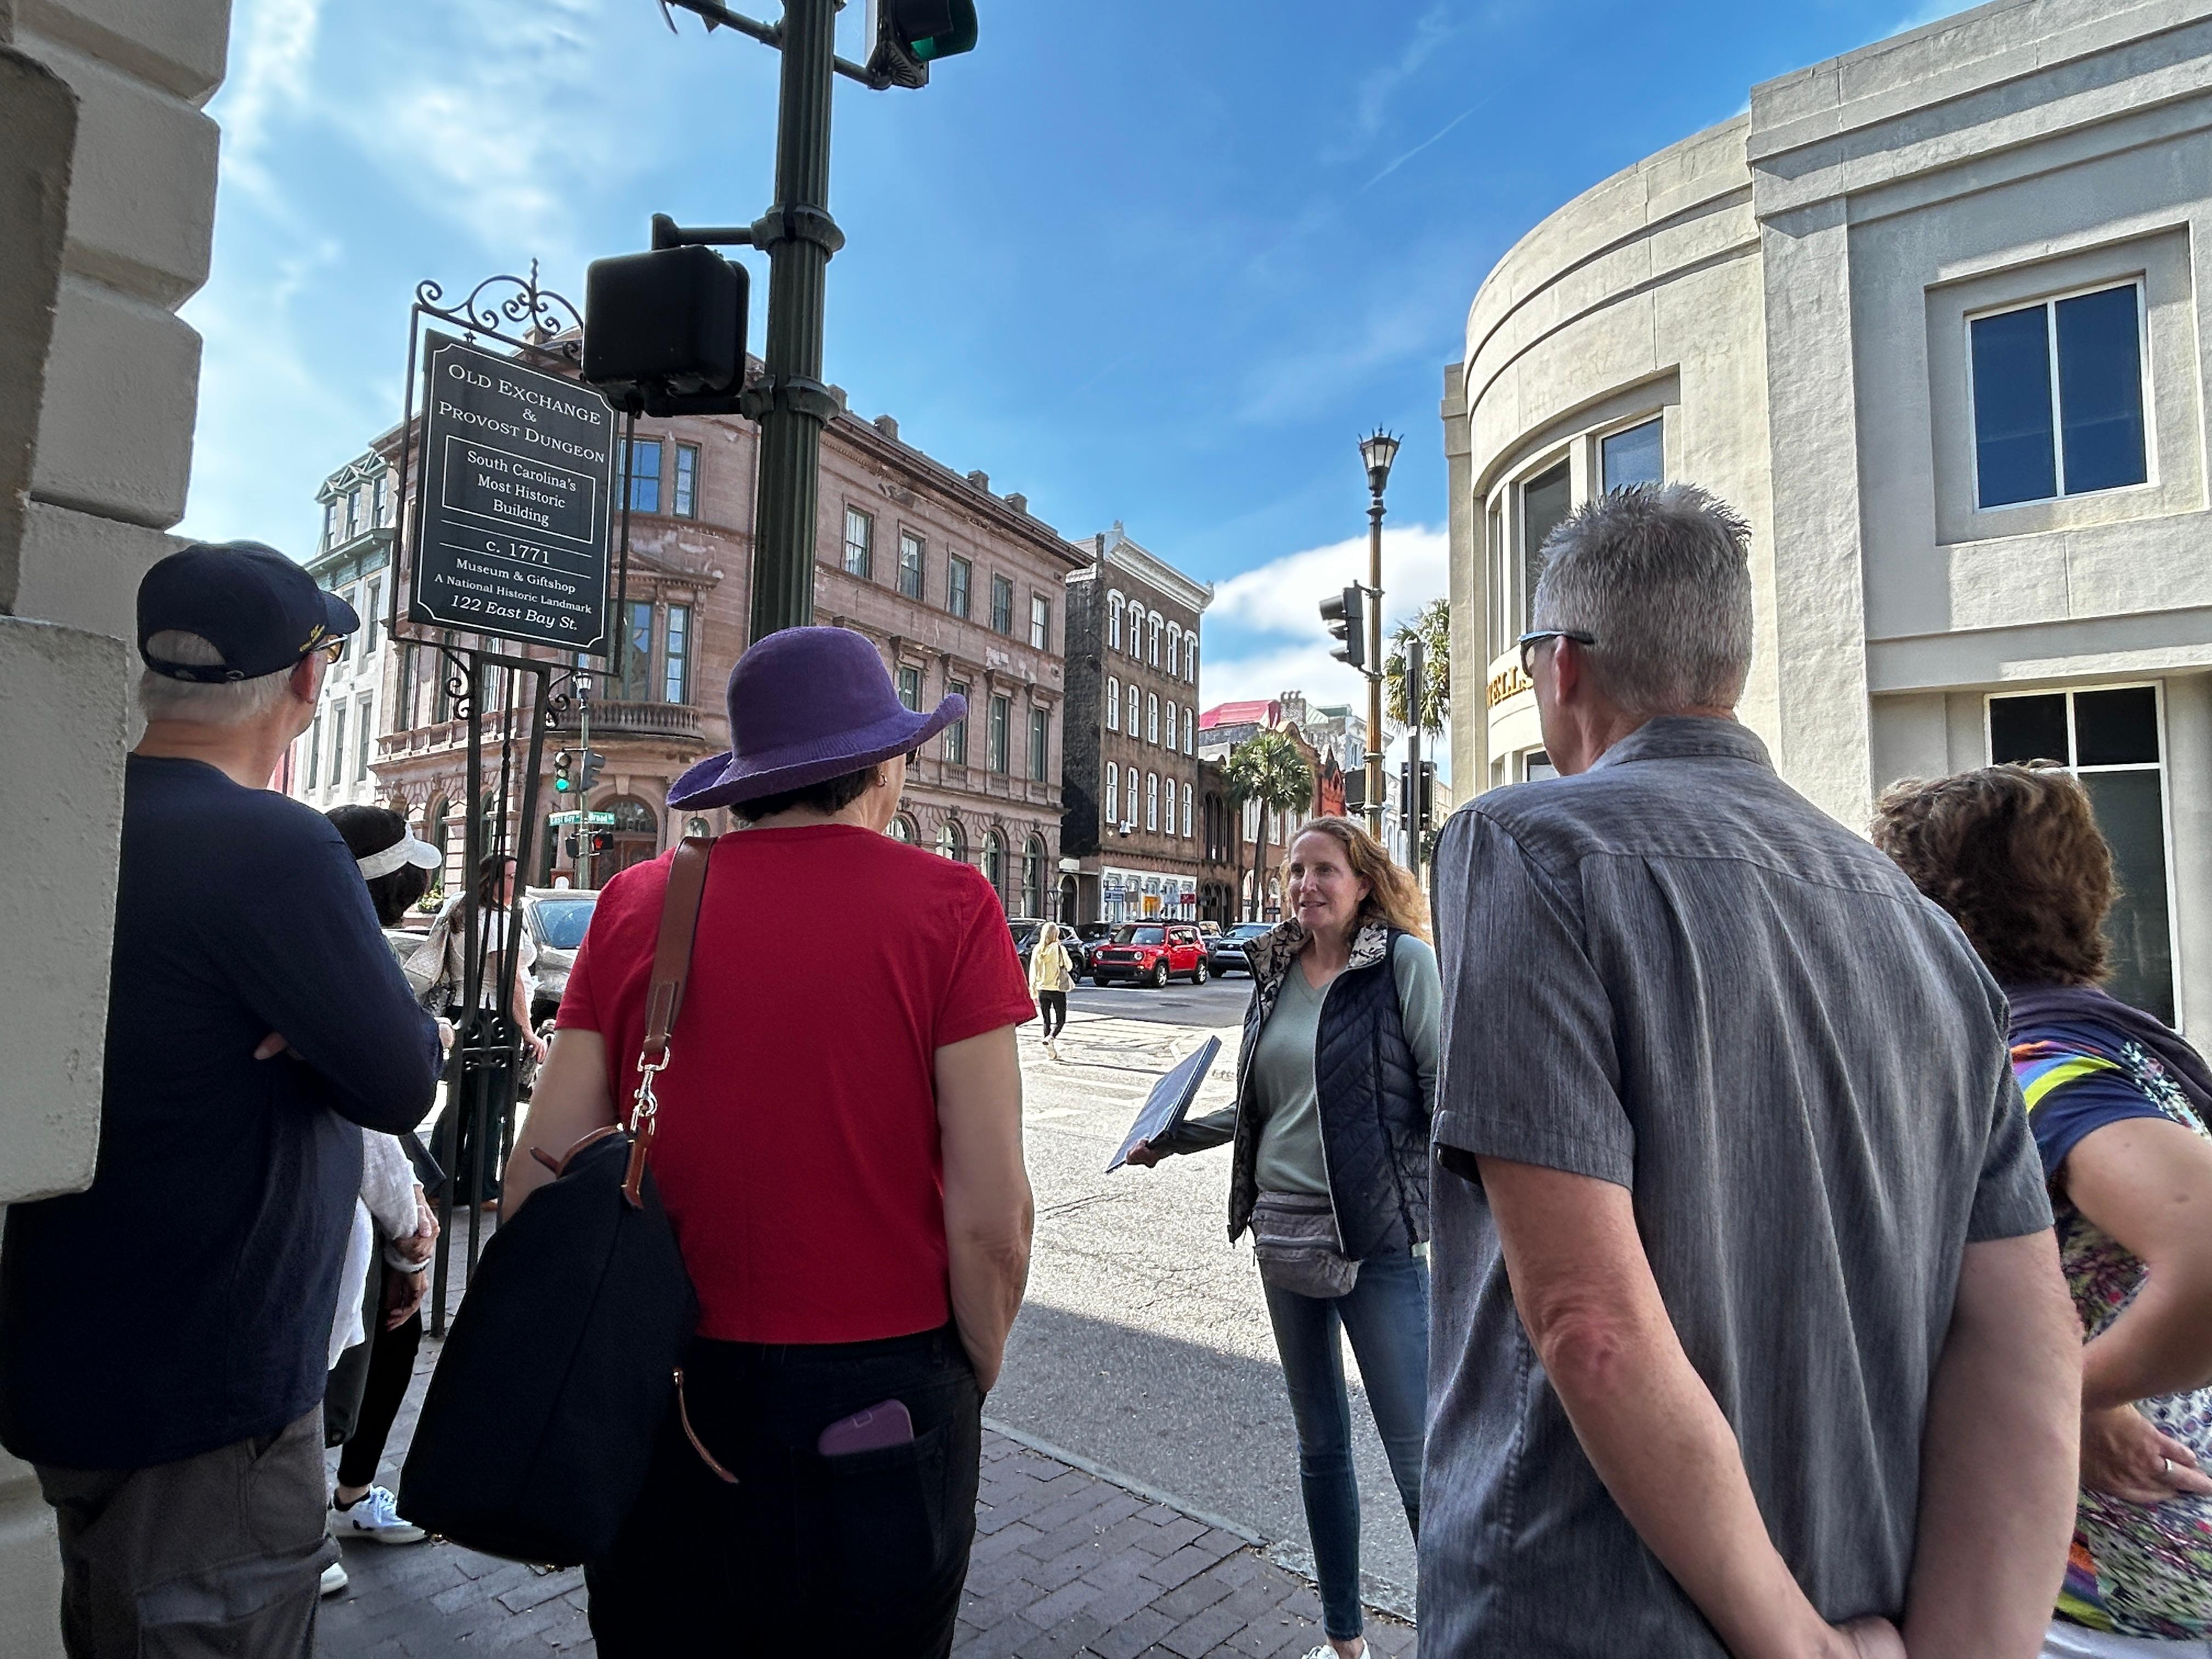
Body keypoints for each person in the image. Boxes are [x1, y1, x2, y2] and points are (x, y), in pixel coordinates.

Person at [1422, 484, 2081, 1659]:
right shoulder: (1926, 932)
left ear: (1562, 665)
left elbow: (1587, 1321)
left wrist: (1794, 1642)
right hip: (1865, 1588)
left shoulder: (1526, 845)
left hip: (1584, 1611)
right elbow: (2027, 1356)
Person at [503, 626, 1035, 1658]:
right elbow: (991, 1215)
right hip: (883, 1390)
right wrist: (972, 1362)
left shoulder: (639, 900)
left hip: (667, 1388)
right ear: (883, 766)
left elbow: (537, 1171)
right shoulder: (953, 906)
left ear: (749, 778)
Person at [0, 542, 442, 1658]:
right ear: (307, 683)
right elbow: (401, 1078)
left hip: (78, 1346)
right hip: (208, 1391)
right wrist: (320, 1027)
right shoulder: (275, 847)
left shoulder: (71, 820)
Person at [1872, 765, 2212, 1656]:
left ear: (1922, 910)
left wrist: (2065, 1393)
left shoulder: (2042, 1067)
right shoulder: (2117, 1043)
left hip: (2116, 1599)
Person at [1126, 816, 1438, 1659]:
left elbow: (1447, 1102)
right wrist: (1174, 1138)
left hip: (1375, 1246)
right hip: (1285, 1239)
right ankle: (1346, 1643)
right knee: (1321, 1448)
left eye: (1324, 870)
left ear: (1363, 882)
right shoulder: (1271, 975)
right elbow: (1261, 1110)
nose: (1304, 885)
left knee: (1420, 1467)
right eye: (1295, 871)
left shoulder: (1403, 967)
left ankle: (1460, 1637)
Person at [321, 806, 448, 1568]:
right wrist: (414, 1238)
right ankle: (336, 1505)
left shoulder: (319, 945)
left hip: (350, 1195)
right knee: (373, 1339)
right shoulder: (350, 966)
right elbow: (373, 1118)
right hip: (348, 1206)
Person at [408, 852, 544, 1204]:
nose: (518, 883)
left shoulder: (461, 909)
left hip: (462, 1013)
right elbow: (509, 980)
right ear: (492, 880)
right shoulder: (495, 921)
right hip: (492, 1019)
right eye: (511, 876)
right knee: (491, 1107)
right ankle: (481, 1186)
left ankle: (437, 1181)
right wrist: (527, 1030)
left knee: (459, 1102)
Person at [1029, 921, 1075, 1061]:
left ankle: (1051, 1051)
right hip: (1056, 988)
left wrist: (1033, 990)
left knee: (1046, 1021)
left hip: (1042, 988)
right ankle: (1051, 1038)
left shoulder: (1037, 949)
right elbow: (1069, 966)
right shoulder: (1059, 949)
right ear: (1056, 934)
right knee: (1061, 1019)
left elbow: (1033, 971)